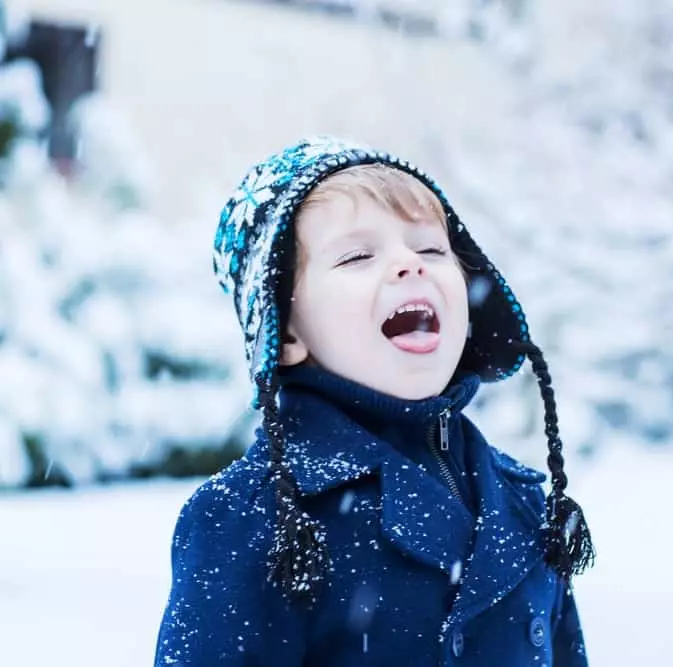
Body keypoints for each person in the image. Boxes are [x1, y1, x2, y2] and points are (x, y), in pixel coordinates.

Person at [154, 136, 594, 666]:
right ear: (284, 331)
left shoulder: (523, 502)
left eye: (431, 249)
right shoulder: (255, 518)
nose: (410, 266)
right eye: (358, 255)